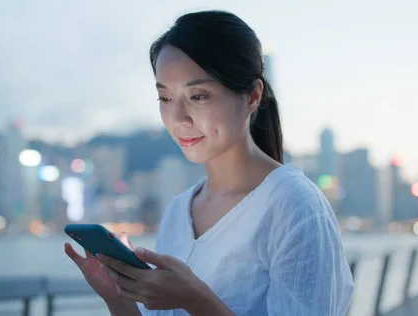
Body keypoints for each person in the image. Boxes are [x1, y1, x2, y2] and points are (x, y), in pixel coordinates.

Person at [64, 10, 354, 316]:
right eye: (165, 98)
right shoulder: (178, 210)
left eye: (198, 96)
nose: (178, 119)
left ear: (253, 96)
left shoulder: (295, 206)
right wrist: (119, 298)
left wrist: (196, 300)